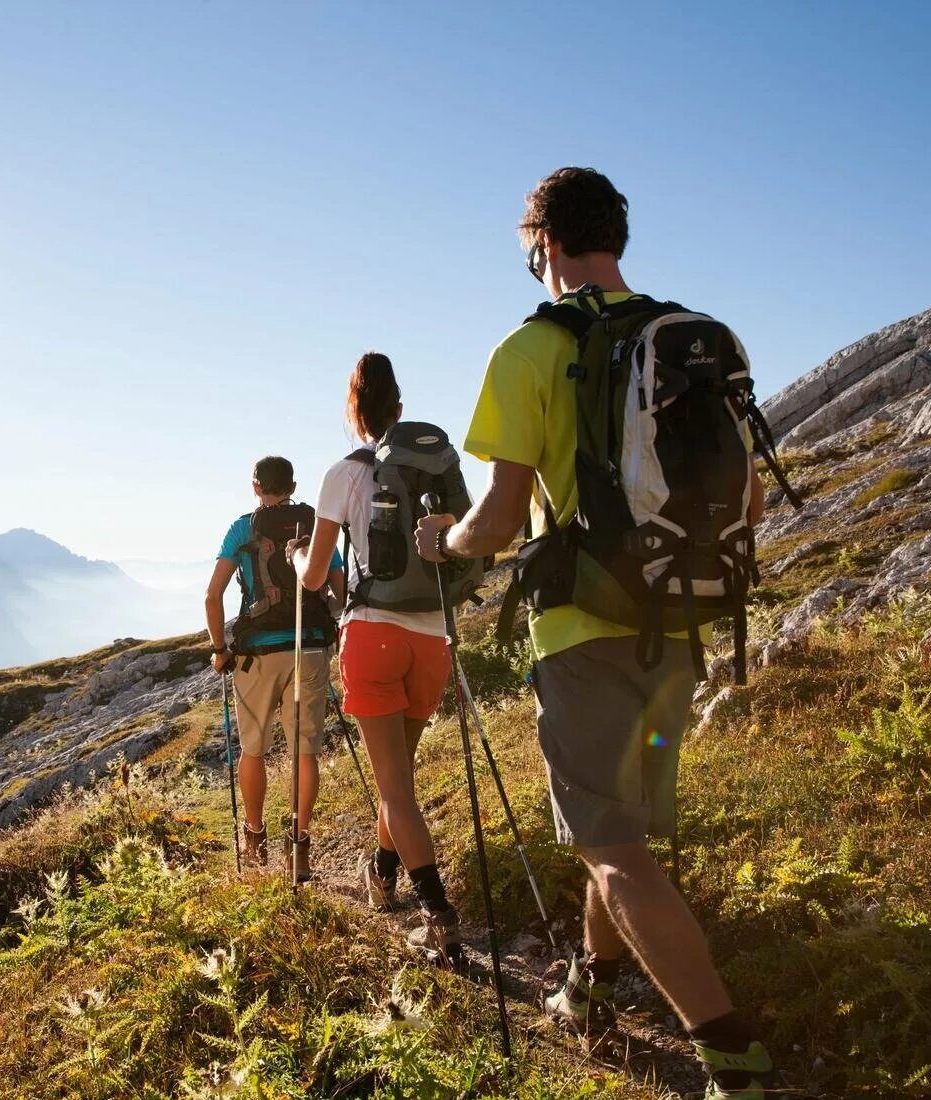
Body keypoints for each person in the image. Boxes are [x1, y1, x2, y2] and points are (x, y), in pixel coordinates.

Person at [414, 167, 775, 1098]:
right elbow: (752, 493)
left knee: (612, 850)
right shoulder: (694, 335)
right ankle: (591, 985)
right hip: (681, 618)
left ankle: (731, 1059)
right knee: (620, 831)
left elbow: (494, 526)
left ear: (543, 248)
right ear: (615, 238)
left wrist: (440, 543)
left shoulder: (531, 348)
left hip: (582, 629)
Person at [289, 353, 464, 966]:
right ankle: (384, 875)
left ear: (356, 411)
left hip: (373, 635)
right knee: (402, 781)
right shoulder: (430, 467)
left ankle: (439, 917)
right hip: (432, 639)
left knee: (395, 786)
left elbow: (314, 578)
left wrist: (294, 561)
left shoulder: (344, 473)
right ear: (399, 405)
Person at [204, 455, 344, 883]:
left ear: (255, 486)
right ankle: (299, 848)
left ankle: (255, 839)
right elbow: (338, 591)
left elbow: (213, 597)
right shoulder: (314, 527)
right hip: (310, 648)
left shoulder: (241, 528)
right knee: (305, 751)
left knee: (253, 749)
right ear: (294, 485)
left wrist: (219, 649)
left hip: (257, 655)